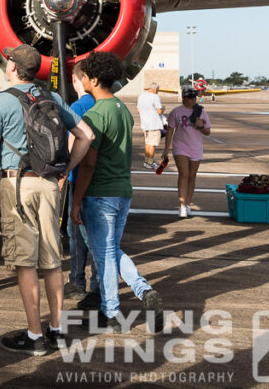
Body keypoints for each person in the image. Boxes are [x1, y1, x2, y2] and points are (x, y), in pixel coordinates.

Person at [0, 45, 93, 355]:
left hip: (18, 185)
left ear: (13, 68)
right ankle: (56, 330)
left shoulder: (1, 101)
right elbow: (86, 135)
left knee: (25, 261)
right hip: (49, 184)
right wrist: (65, 171)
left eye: (8, 60)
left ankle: (34, 335)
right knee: (52, 260)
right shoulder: (53, 98)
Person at [71, 51, 164, 332]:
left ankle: (112, 310)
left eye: (84, 76)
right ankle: (141, 292)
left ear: (94, 79)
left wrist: (75, 201)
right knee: (110, 251)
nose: (81, 80)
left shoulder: (95, 115)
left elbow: (88, 164)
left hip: (99, 194)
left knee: (104, 254)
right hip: (123, 191)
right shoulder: (122, 109)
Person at [61, 61, 99, 300]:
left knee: (77, 231)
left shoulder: (76, 106)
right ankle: (94, 282)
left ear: (75, 80)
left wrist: (64, 171)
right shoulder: (101, 104)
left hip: (78, 176)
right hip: (100, 179)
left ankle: (79, 281)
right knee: (90, 232)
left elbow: (72, 142)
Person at [161, 88, 212, 218]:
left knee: (191, 176)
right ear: (183, 98)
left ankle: (188, 204)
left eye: (194, 97)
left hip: (196, 147)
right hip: (180, 147)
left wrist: (200, 126)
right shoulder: (176, 112)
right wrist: (166, 149)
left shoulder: (201, 111)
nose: (193, 99)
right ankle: (182, 205)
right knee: (184, 174)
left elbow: (207, 132)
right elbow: (170, 131)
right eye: (190, 97)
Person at [136, 83, 165, 169]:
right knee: (152, 144)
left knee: (147, 143)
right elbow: (159, 111)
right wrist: (163, 109)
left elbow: (138, 110)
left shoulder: (141, 96)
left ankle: (147, 161)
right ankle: (150, 162)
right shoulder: (155, 97)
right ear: (155, 89)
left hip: (145, 124)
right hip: (154, 124)